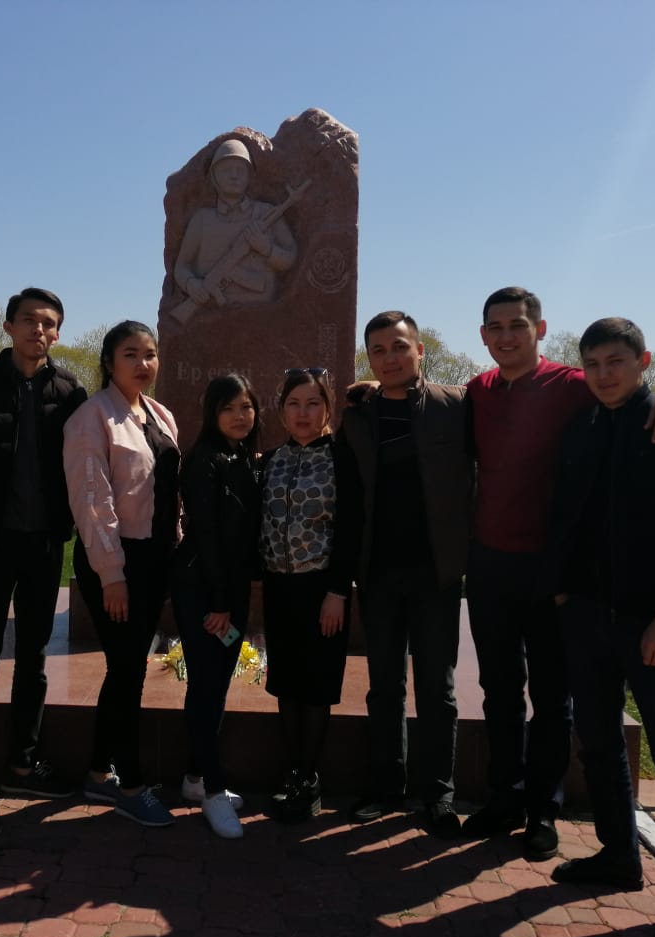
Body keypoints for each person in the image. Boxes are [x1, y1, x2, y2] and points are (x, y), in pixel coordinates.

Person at [463, 287, 655, 861]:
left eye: (517, 325)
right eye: (495, 327)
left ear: (539, 330)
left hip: (556, 574)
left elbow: (635, 393)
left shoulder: (574, 386)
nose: (506, 337)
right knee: (498, 691)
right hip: (490, 566)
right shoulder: (477, 391)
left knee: (552, 696)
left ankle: (543, 808)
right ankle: (505, 796)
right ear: (484, 335)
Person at [547, 317, 655, 937]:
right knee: (598, 745)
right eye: (592, 364)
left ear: (642, 362)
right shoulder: (583, 425)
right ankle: (618, 856)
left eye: (615, 361)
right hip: (587, 618)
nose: (603, 374)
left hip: (653, 626)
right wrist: (563, 591)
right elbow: (568, 513)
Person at [0, 287, 88, 838]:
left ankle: (24, 762)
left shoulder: (69, 390)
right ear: (8, 327)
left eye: (49, 323)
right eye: (29, 320)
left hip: (44, 545)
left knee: (33, 656)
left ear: (57, 333)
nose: (39, 330)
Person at [339, 311, 472, 837]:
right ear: (369, 359)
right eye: (378, 350)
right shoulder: (358, 416)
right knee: (384, 687)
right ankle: (385, 788)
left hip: (436, 574)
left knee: (437, 688)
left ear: (419, 350)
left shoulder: (456, 405)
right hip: (379, 574)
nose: (389, 357)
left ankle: (439, 794)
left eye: (398, 346)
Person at [63, 320, 180, 827]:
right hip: (115, 562)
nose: (142, 363)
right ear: (109, 361)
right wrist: (112, 574)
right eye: (130, 354)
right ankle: (130, 785)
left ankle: (97, 772)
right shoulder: (92, 418)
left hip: (154, 560)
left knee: (126, 668)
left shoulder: (159, 414)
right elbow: (92, 501)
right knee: (129, 672)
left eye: (149, 354)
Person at [259, 368, 361, 823]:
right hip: (279, 588)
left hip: (323, 590)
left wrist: (338, 591)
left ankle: (310, 776)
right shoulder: (270, 460)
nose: (303, 413)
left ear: (328, 407)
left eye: (313, 403)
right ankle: (294, 771)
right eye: (294, 404)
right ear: (282, 409)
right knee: (286, 681)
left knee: (317, 683)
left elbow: (351, 529)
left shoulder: (342, 459)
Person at [169, 374, 262, 839]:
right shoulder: (203, 460)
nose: (239, 416)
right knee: (206, 686)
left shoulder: (243, 456)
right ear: (212, 413)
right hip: (203, 590)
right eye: (229, 408)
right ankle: (212, 789)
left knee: (216, 684)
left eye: (246, 407)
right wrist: (221, 603)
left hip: (231, 589)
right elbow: (206, 536)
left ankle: (193, 776)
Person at [173, 138, 297, 313]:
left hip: (262, 313)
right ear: (214, 177)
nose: (234, 175)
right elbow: (181, 267)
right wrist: (191, 284)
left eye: (240, 170)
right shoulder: (201, 219)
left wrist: (267, 249)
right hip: (211, 315)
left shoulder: (266, 213)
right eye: (226, 170)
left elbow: (291, 258)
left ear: (249, 176)